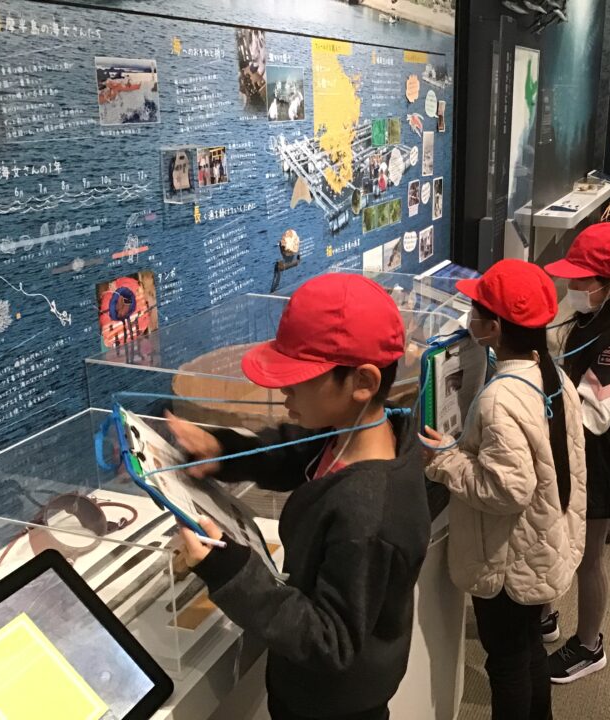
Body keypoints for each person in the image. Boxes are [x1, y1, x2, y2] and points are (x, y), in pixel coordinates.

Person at [169, 274, 431, 720]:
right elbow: (297, 453)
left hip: (333, 707)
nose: (283, 389)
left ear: (362, 381)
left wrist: (229, 570)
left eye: (299, 378)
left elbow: (331, 640)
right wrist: (222, 451)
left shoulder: (367, 515)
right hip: (311, 688)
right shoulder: (360, 429)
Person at [423, 259, 587, 720]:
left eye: (476, 311)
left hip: (507, 562)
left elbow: (506, 491)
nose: (469, 319)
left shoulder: (500, 398)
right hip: (542, 541)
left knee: (507, 662)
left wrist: (443, 460)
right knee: (528, 646)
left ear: (494, 327)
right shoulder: (551, 373)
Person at [541, 223, 610, 683]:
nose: (571, 286)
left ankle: (589, 645)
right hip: (575, 449)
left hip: (603, 458)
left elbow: (590, 414)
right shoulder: (593, 317)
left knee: (589, 556)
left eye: (581, 279)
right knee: (552, 533)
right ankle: (544, 614)